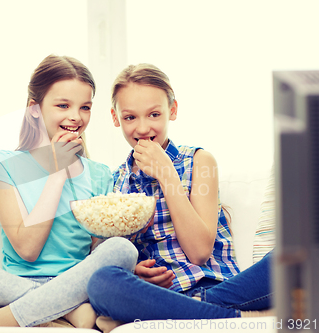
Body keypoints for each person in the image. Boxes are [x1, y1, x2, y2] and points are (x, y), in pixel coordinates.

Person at [0, 55, 138, 328]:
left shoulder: (100, 174)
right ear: (34, 109)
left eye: (85, 107)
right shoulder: (5, 165)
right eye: (63, 105)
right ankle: (63, 311)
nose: (76, 117)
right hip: (14, 284)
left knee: (123, 249)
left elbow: (98, 254)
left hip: (75, 283)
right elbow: (27, 249)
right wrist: (57, 171)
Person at [86, 63, 272, 329]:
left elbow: (198, 253)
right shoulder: (115, 182)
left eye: (153, 114)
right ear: (115, 118)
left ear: (172, 111)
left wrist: (166, 174)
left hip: (220, 288)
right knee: (101, 282)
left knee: (300, 254)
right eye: (130, 118)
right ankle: (230, 318)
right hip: (161, 296)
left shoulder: (199, 161)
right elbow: (118, 254)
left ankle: (201, 310)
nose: (142, 128)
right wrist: (134, 271)